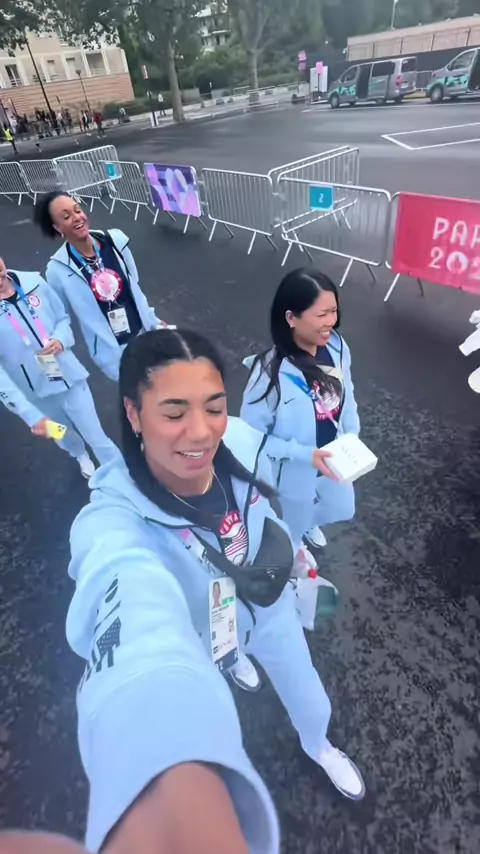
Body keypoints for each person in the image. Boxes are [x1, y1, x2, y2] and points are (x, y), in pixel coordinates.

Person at [66, 328, 364, 851]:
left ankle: (318, 745)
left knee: (311, 697)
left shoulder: (238, 442)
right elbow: (124, 594)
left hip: (270, 606)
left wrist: (292, 551)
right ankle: (233, 661)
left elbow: (263, 491)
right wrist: (156, 766)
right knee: (227, 657)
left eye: (214, 407)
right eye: (174, 412)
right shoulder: (115, 515)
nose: (202, 432)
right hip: (203, 634)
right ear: (134, 414)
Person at [241, 268, 360, 549]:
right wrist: (304, 455)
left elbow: (348, 390)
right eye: (321, 314)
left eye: (334, 311)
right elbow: (251, 438)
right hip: (294, 472)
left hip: (336, 456)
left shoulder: (337, 347)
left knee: (343, 508)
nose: (331, 322)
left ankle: (309, 523)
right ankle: (297, 546)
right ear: (291, 318)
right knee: (292, 532)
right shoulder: (267, 374)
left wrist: (352, 432)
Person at [0, 256, 118, 479]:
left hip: (70, 376)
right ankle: (78, 454)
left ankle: (119, 474)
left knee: (95, 433)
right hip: (34, 394)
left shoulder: (34, 282)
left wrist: (60, 339)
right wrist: (29, 414)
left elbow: (62, 318)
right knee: (60, 432)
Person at [34, 192, 168, 382]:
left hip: (145, 334)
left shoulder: (115, 241)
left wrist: (153, 321)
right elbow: (61, 315)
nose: (77, 217)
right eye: (66, 216)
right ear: (57, 227)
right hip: (114, 352)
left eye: (77, 210)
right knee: (143, 393)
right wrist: (55, 340)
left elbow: (134, 287)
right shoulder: (57, 270)